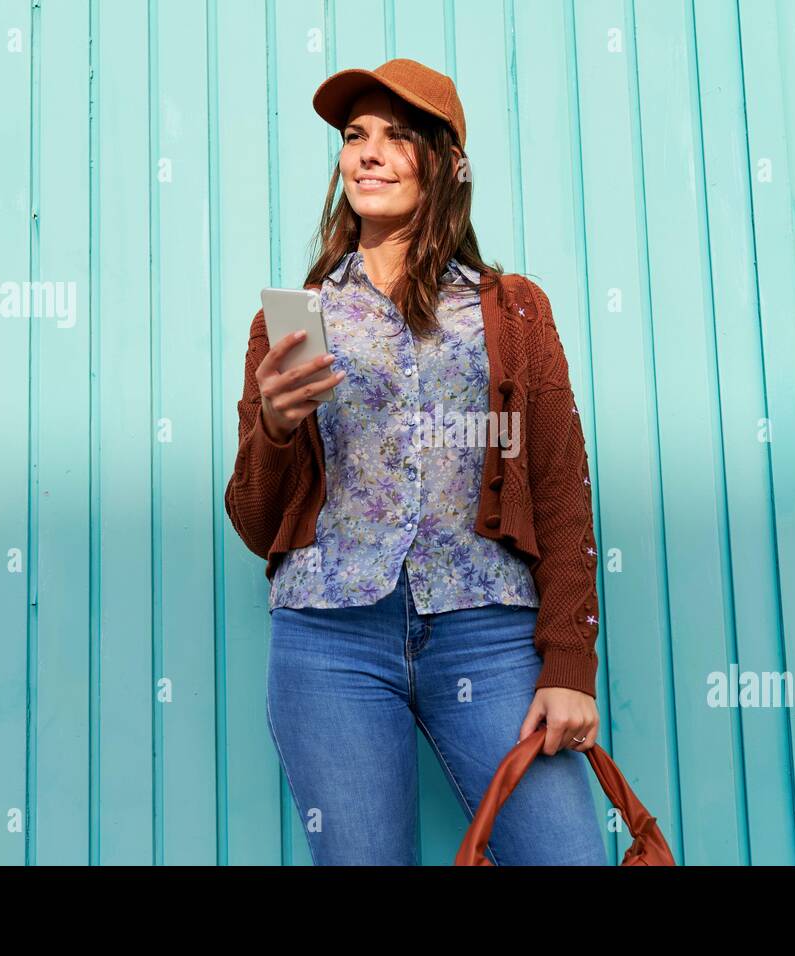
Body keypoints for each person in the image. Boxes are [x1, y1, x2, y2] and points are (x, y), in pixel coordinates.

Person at [226, 58, 605, 865]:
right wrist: (276, 427)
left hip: (488, 636)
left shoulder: (513, 310)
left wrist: (570, 661)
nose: (368, 152)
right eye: (355, 136)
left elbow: (562, 491)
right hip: (331, 641)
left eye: (398, 136)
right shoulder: (298, 317)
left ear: (447, 164)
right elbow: (257, 525)